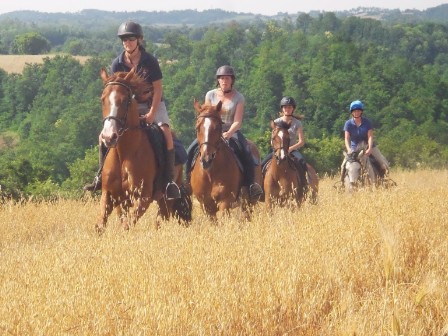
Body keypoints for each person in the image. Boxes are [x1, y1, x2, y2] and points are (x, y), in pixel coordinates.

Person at [84, 21, 181, 200]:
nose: (127, 42)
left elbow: (158, 89)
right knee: (102, 137)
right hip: (129, 106)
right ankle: (100, 176)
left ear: (139, 40)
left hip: (154, 103)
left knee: (166, 132)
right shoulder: (117, 63)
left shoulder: (150, 61)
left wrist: (152, 113)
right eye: (124, 40)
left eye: (131, 39)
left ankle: (168, 181)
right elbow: (116, 91)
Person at [185, 65, 263, 201]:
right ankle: (186, 183)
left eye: (227, 78)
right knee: (191, 149)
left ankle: (251, 185)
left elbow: (237, 121)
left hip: (230, 130)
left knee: (246, 151)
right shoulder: (210, 94)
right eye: (221, 78)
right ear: (218, 80)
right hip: (211, 129)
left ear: (232, 80)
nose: (224, 81)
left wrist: (229, 133)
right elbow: (206, 113)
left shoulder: (239, 97)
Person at [262, 96, 308, 187]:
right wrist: (277, 148)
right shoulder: (276, 122)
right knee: (262, 164)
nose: (287, 109)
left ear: (293, 109)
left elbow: (301, 141)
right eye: (285, 107)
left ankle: (304, 185)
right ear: (282, 108)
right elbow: (272, 139)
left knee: (302, 162)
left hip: (292, 150)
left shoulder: (297, 123)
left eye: (290, 107)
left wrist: (290, 148)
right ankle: (260, 187)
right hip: (278, 150)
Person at [341, 99, 390, 181]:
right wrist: (349, 149)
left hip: (368, 146)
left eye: (358, 111)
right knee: (343, 166)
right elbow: (346, 138)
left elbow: (370, 136)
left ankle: (384, 181)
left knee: (383, 163)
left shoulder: (367, 122)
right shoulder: (348, 124)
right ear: (352, 112)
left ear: (361, 112)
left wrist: (370, 148)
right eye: (354, 111)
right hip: (354, 148)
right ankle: (341, 184)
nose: (356, 113)